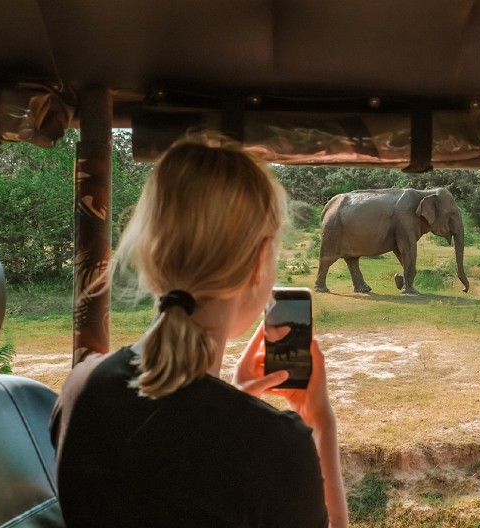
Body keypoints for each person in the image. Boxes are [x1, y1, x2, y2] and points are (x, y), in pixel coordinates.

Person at [50, 136, 348, 527]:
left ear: (153, 251)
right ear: (260, 262)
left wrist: (232, 399)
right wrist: (320, 423)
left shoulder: (81, 389)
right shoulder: (272, 446)